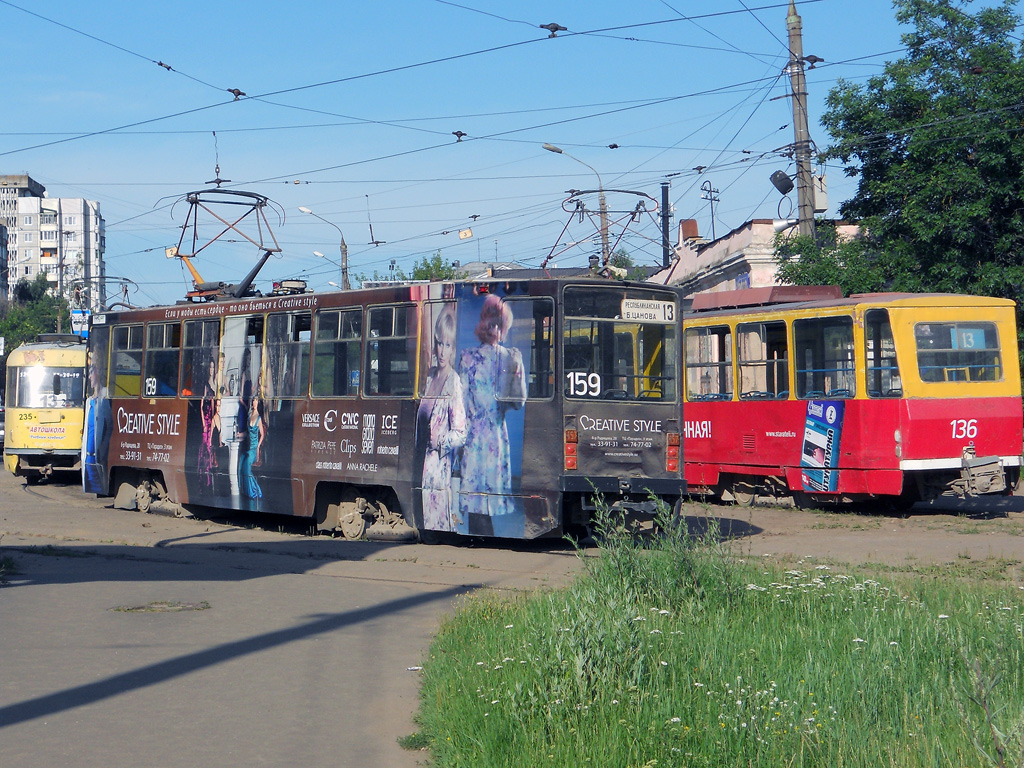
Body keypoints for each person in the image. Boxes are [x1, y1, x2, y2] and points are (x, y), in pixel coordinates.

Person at [458, 294, 527, 537]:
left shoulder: (511, 357)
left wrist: (516, 372)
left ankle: (484, 538)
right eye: (489, 319)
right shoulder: (467, 357)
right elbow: (462, 400)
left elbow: (518, 402)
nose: (492, 327)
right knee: (475, 500)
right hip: (474, 436)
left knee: (489, 499)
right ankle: (479, 538)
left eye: (499, 324)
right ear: (481, 321)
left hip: (496, 437)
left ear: (504, 330)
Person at [417, 307, 467, 531]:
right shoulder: (429, 376)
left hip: (440, 469)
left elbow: (461, 433)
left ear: (454, 348)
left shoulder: (453, 381)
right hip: (425, 468)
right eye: (439, 343)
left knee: (438, 525)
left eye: (448, 345)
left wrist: (440, 441)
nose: (442, 351)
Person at [237, 393, 265, 500]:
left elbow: (262, 434)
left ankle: (254, 490)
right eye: (253, 400)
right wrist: (240, 434)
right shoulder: (250, 416)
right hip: (248, 448)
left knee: (247, 462)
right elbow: (247, 433)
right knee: (241, 460)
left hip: (254, 449)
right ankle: (243, 490)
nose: (254, 402)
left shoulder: (259, 418)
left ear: (258, 403)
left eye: (256, 401)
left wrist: (258, 447)